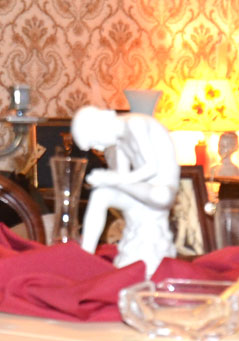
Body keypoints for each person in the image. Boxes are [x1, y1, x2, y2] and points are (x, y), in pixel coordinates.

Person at [71, 106, 180, 279]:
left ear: (99, 124)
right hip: (141, 191)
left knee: (160, 195)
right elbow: (123, 177)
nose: (98, 147)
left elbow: (151, 168)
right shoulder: (119, 140)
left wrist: (111, 179)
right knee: (101, 195)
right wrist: (106, 180)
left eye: (94, 142)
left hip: (160, 192)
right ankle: (85, 259)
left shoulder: (135, 124)